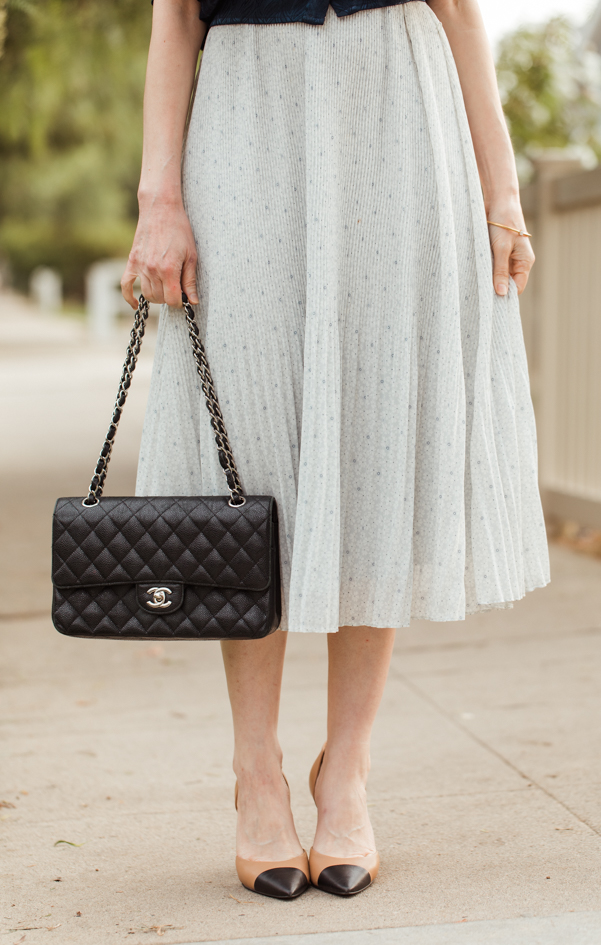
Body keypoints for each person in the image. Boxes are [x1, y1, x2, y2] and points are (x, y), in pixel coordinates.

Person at [122, 0, 550, 900]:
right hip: (245, 113)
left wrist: (501, 192)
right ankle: (258, 771)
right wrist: (158, 197)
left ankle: (345, 772)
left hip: (400, 108)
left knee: (375, 436)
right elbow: (175, 16)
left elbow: (461, 9)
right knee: (253, 446)